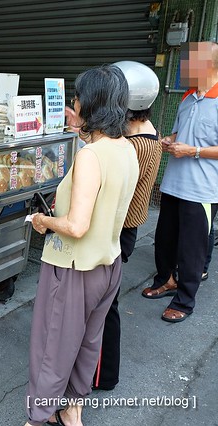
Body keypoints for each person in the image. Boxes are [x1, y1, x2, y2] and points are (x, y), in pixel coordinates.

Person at [24, 65, 139, 426]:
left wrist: (43, 221)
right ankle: (72, 410)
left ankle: (38, 417)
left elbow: (76, 225)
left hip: (74, 267)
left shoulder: (91, 156)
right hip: (109, 263)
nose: (74, 103)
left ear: (89, 103)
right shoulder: (128, 148)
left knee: (52, 347)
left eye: (77, 97)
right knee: (88, 343)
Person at [92, 61, 162, 391]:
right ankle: (101, 373)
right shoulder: (149, 134)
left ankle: (103, 375)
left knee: (104, 306)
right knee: (106, 303)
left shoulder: (134, 147)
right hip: (124, 230)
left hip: (117, 231)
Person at [142, 42, 218, 323]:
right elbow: (179, 133)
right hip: (173, 184)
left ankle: (185, 301)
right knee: (164, 240)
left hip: (202, 190)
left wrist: (193, 151)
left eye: (190, 62)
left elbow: (199, 146)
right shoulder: (187, 97)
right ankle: (166, 280)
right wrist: (170, 141)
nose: (184, 68)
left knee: (192, 249)